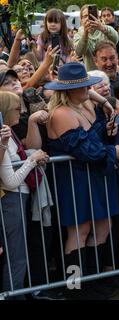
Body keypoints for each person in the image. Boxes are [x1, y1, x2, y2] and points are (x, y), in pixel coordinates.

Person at [45, 62, 119, 299]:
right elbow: (86, 151)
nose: (88, 89)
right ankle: (75, 287)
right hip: (75, 179)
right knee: (80, 231)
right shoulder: (61, 114)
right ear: (69, 90)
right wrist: (114, 152)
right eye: (83, 86)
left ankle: (94, 280)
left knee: (103, 226)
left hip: (96, 177)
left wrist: (105, 113)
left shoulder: (87, 106)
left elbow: (97, 141)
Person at [0, 91, 49, 297]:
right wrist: (32, 160)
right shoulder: (3, 137)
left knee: (18, 253)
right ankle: (14, 294)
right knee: (16, 254)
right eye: (16, 109)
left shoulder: (8, 134)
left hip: (19, 198)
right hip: (12, 200)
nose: (20, 113)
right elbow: (10, 181)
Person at [74, 5, 119, 72]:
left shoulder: (105, 29)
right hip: (91, 74)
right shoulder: (79, 34)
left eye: (91, 15)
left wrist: (102, 28)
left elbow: (116, 39)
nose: (88, 18)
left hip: (109, 70)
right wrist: (85, 34)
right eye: (85, 16)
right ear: (81, 20)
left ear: (98, 17)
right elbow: (79, 52)